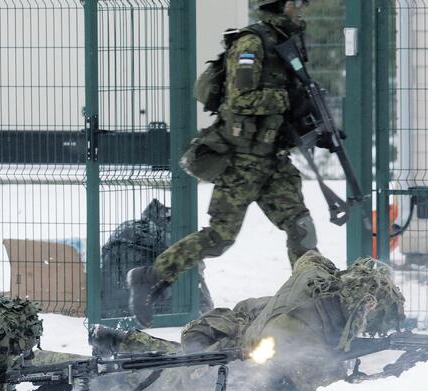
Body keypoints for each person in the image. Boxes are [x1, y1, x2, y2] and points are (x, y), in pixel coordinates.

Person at [127, 0, 319, 327]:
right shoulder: (251, 43)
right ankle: (150, 276)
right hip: (242, 161)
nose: (302, 9)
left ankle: (307, 305)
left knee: (301, 227)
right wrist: (284, 99)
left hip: (272, 160)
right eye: (297, 3)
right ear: (280, 4)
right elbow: (240, 99)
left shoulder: (288, 43)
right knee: (219, 238)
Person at [97, 250, 405, 391]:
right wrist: (389, 377)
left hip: (248, 329)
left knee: (180, 361)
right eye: (367, 318)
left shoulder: (315, 278)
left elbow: (311, 258)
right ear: (361, 307)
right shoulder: (298, 332)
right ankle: (110, 361)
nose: (366, 326)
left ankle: (121, 344)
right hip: (234, 371)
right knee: (163, 377)